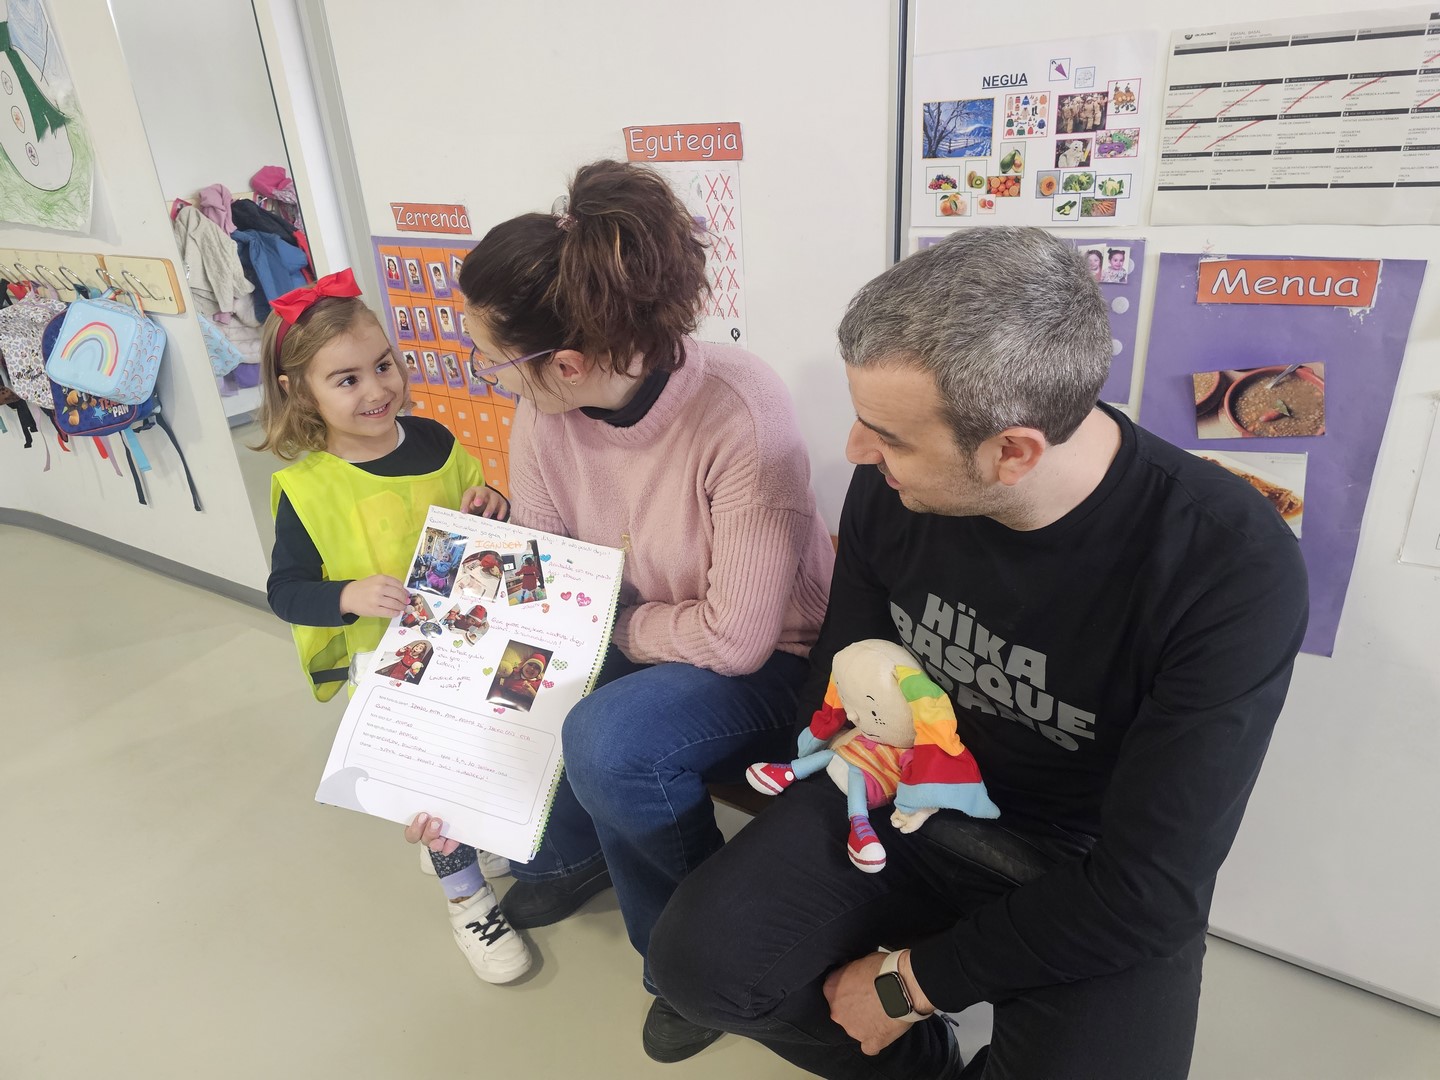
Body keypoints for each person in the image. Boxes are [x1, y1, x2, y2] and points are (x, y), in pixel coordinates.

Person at [648, 226, 1309, 1078]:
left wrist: (911, 982)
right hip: (907, 791)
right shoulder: (895, 489)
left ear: (1013, 451)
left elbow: (1149, 890)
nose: (856, 452)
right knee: (699, 969)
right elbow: (841, 677)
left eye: (889, 436)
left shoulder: (1226, 563)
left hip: (1084, 862)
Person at [403, 159, 835, 1061]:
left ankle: (686, 963)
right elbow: (551, 568)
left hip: (775, 659)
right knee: (506, 673)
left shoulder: (741, 411)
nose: (492, 380)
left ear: (565, 364)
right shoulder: (548, 410)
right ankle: (568, 855)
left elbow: (736, 638)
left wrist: (597, 627)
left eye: (493, 362)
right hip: (640, 622)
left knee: (609, 739)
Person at [255, 269, 530, 986]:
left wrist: (490, 503)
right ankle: (468, 901)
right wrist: (346, 594)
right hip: (391, 671)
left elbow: (482, 513)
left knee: (484, 754)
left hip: (470, 647)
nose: (376, 389)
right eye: (346, 380)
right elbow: (285, 592)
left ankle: (475, 831)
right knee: (430, 788)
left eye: (383, 365)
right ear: (298, 391)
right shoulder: (307, 488)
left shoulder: (436, 441)